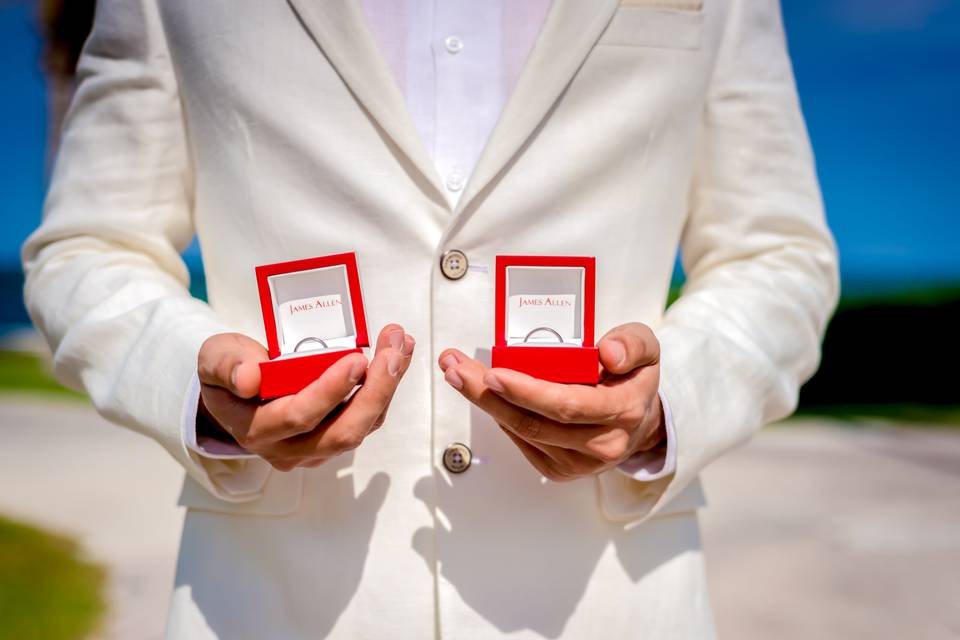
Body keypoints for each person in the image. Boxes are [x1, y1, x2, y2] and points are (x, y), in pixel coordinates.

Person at [22, 0, 838, 638]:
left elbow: (779, 253)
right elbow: (89, 246)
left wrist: (670, 400)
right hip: (273, 611)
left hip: (613, 607)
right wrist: (199, 383)